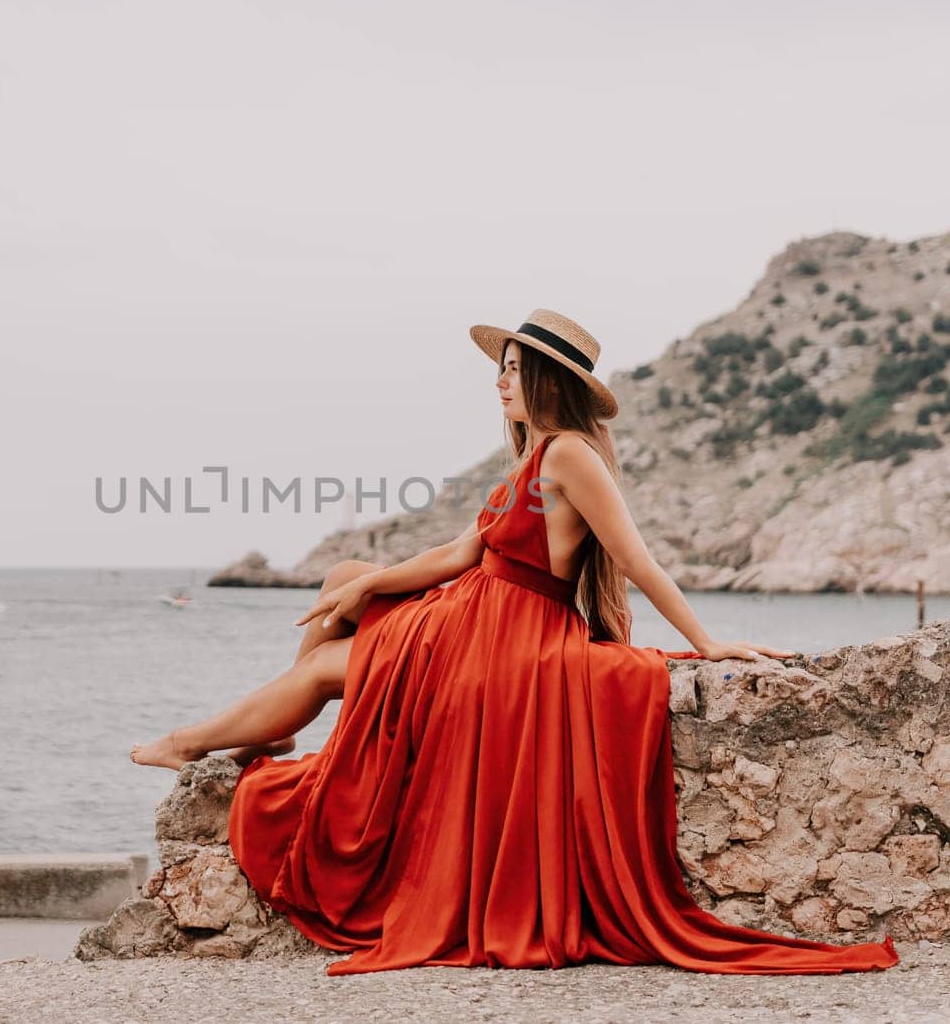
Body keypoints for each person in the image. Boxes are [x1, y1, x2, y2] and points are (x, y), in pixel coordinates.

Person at [131, 308, 900, 977]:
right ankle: (317, 748)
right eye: (499, 369)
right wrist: (370, 585)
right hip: (472, 611)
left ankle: (191, 741)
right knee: (346, 573)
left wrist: (708, 639)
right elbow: (458, 555)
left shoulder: (569, 454)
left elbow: (635, 560)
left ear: (547, 379)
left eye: (513, 369)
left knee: (337, 663)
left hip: (509, 636)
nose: (500, 382)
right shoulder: (528, 461)